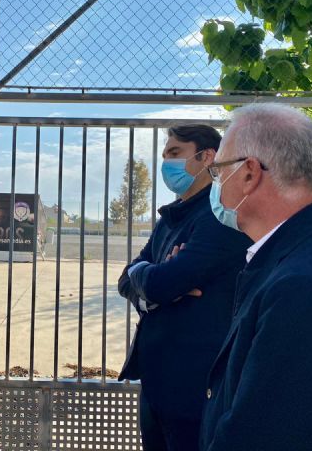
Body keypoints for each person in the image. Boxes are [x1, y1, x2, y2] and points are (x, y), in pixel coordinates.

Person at [200, 104, 312, 450]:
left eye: (218, 170)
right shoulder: (304, 256)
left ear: (249, 174)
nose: (216, 183)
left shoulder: (305, 287)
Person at [118, 124, 252, 451]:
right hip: (156, 383)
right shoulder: (170, 218)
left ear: (207, 157)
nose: (167, 162)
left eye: (175, 153)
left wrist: (154, 280)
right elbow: (127, 280)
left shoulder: (219, 218)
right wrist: (150, 279)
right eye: (165, 155)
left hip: (195, 386)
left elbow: (161, 284)